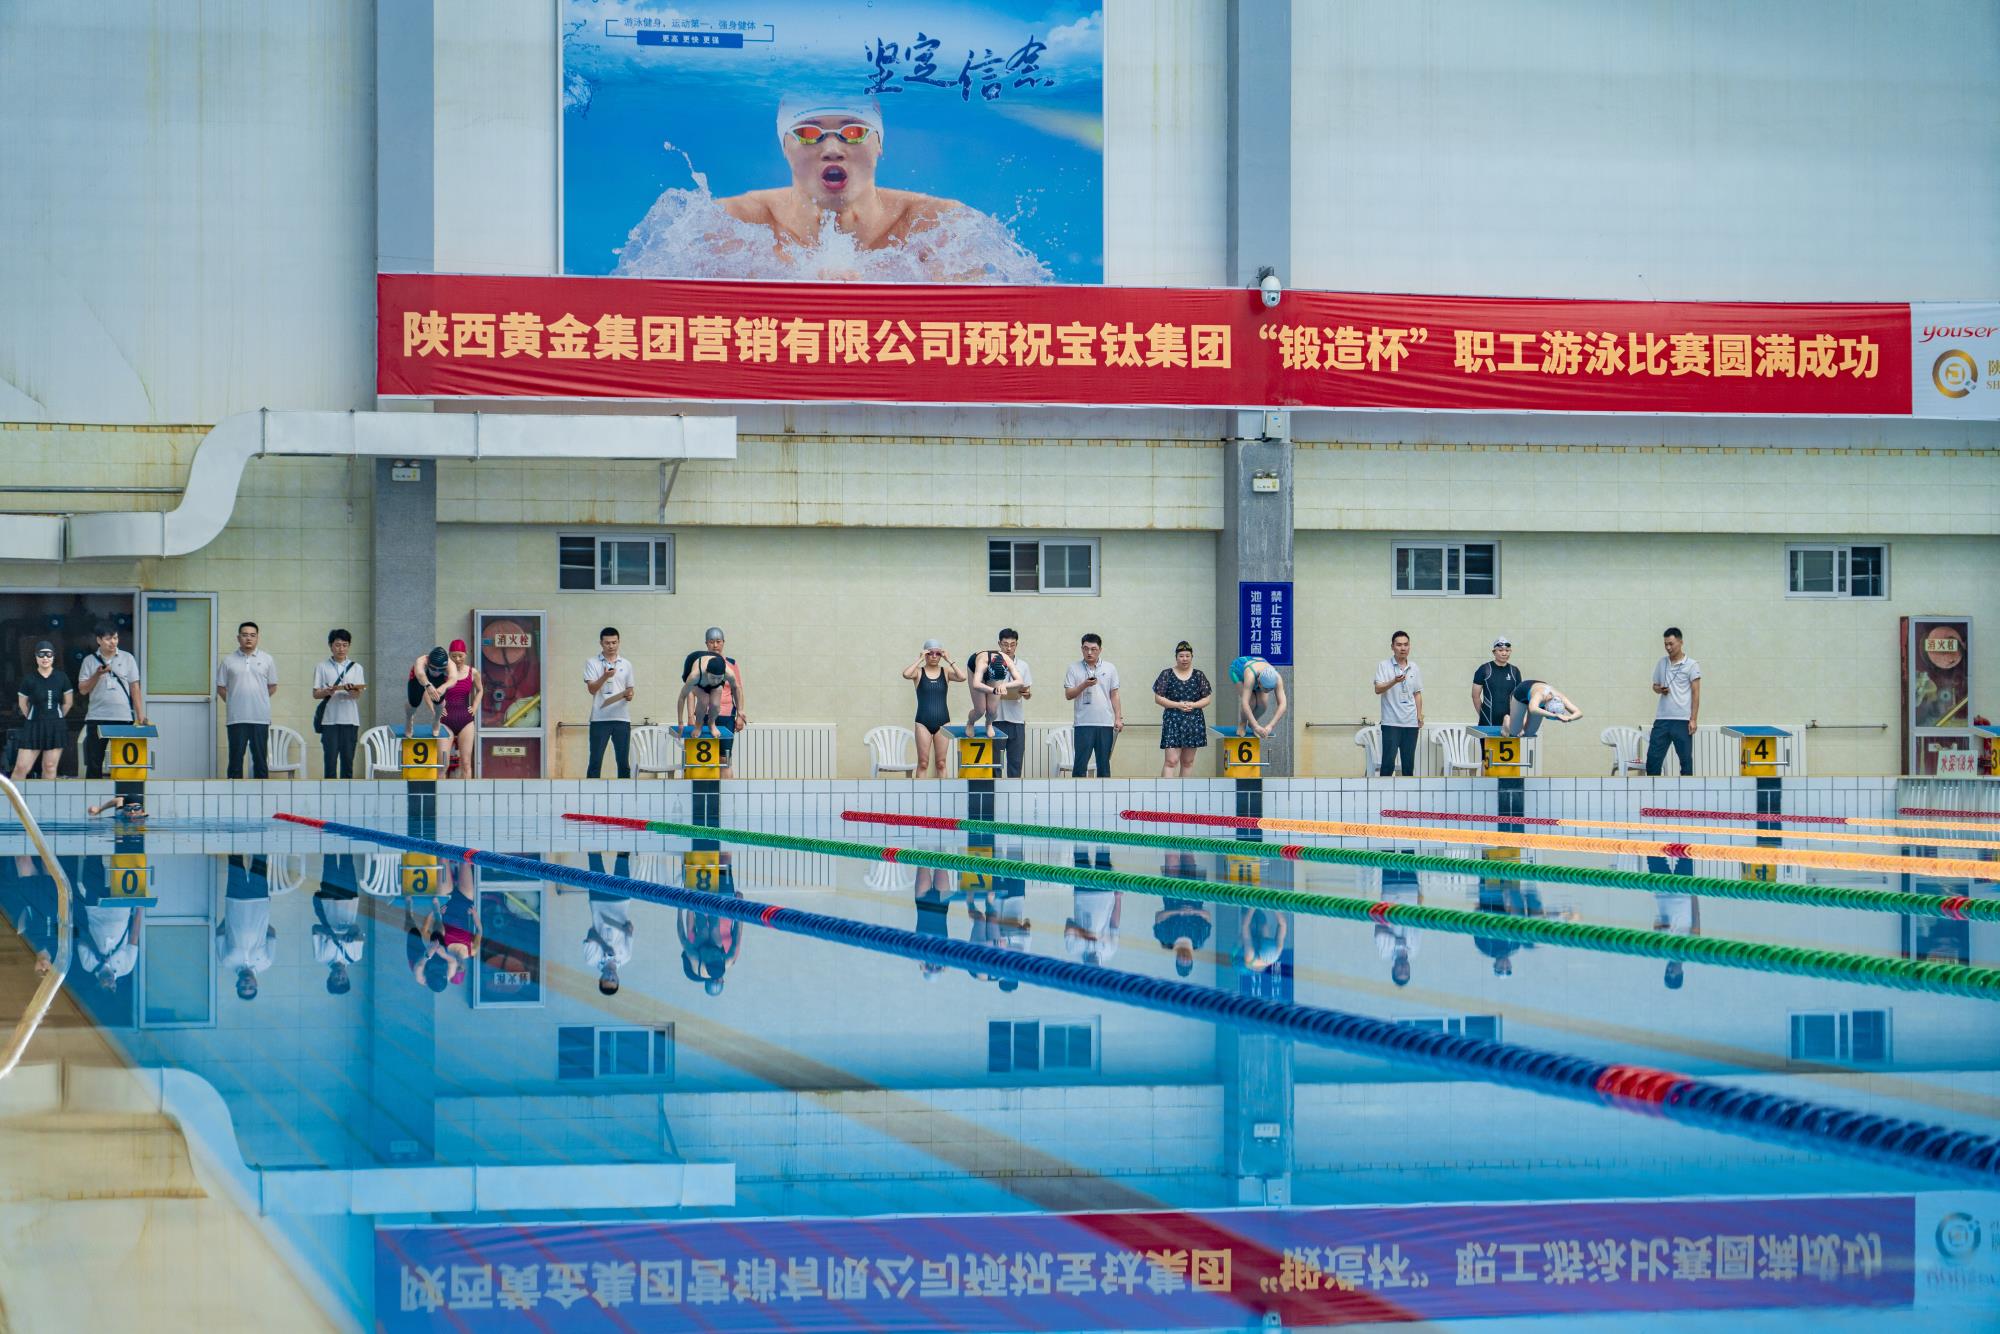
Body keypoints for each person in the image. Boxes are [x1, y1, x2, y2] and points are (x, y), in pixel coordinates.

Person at [714, 96, 974, 276]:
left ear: (879, 144)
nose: (832, 149)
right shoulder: (735, 222)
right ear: (784, 146)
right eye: (808, 134)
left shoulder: (936, 225)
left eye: (853, 132)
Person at [77, 621, 143, 779]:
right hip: (97, 717)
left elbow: (135, 688)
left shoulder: (127, 658)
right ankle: (93, 792)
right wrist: (97, 674)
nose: (113, 642)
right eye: (108, 639)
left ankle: (123, 792)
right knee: (94, 761)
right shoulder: (89, 661)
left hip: (123, 717)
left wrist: (140, 715)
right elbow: (83, 689)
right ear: (99, 640)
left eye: (115, 638)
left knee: (125, 761)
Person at [681, 628, 747, 777]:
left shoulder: (731, 664)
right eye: (711, 642)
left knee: (724, 758)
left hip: (726, 715)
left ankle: (725, 790)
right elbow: (690, 692)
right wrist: (690, 717)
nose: (715, 645)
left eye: (718, 641)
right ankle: (703, 788)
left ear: (723, 642)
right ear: (706, 643)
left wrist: (740, 715)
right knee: (701, 759)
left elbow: (738, 689)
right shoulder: (701, 663)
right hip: (703, 715)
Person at [215, 621, 277, 779]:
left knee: (260, 761)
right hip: (236, 718)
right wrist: (234, 701)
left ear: (257, 638)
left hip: (260, 718)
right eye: (244, 635)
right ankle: (233, 793)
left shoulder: (267, 659)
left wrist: (258, 699)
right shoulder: (228, 661)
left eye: (252, 635)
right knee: (235, 761)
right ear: (238, 638)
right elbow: (221, 687)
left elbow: (272, 686)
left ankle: (261, 793)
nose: (248, 638)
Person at [901, 640, 965, 778]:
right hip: (922, 722)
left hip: (943, 722)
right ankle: (920, 792)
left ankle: (943, 792)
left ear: (941, 655)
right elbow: (906, 674)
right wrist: (919, 659)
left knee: (941, 763)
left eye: (938, 653)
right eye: (930, 653)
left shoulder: (946, 672)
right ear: (925, 654)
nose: (934, 656)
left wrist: (949, 660)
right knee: (923, 763)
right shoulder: (918, 672)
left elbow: (962, 677)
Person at [216, 853, 276, 1000]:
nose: (247, 984)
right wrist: (259, 919)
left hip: (235, 901)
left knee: (235, 861)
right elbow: (272, 933)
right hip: (260, 901)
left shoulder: (227, 961)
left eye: (243, 987)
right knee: (260, 861)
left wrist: (231, 917)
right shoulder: (266, 962)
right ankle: (260, 837)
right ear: (256, 984)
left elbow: (220, 933)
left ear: (237, 985)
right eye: (251, 987)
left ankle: (233, 837)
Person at [1063, 634, 1123, 778]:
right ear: (1081, 649)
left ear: (1100, 650)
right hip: (1083, 723)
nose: (1089, 652)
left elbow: (1114, 695)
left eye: (1093, 649)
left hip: (1105, 723)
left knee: (1104, 765)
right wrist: (1084, 685)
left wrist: (1118, 718)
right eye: (1086, 648)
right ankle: (1078, 792)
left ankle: (1104, 792)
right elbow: (1068, 695)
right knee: (1080, 765)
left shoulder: (1110, 668)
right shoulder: (1073, 668)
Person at [13, 641, 73, 780]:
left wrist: (55, 717)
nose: (45, 658)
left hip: (56, 726)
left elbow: (68, 703)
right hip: (33, 725)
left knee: (49, 766)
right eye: (41, 654)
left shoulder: (61, 677)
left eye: (48, 654)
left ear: (53, 656)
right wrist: (33, 717)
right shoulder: (29, 679)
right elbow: (23, 704)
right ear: (36, 657)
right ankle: (11, 794)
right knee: (21, 767)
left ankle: (47, 795)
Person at [1646, 627, 1702, 776]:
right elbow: (1654, 686)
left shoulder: (1692, 665)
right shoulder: (1661, 663)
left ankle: (1687, 790)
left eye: (1671, 644)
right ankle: (1652, 789)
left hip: (1682, 720)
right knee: (1652, 759)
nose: (1668, 647)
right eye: (1665, 644)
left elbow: (1696, 693)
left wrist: (1693, 719)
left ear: (1680, 642)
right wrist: (1660, 689)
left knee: (1685, 761)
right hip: (1662, 719)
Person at [312, 629, 367, 779]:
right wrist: (327, 691)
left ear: (349, 646)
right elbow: (315, 694)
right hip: (329, 721)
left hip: (350, 720)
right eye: (337, 645)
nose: (341, 649)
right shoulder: (322, 667)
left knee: (348, 763)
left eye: (345, 645)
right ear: (330, 646)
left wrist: (351, 690)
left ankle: (346, 793)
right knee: (329, 763)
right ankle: (329, 793)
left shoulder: (357, 667)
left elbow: (357, 695)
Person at [1153, 641, 1213, 778]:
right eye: (1181, 656)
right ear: (1176, 657)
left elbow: (1207, 699)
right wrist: (1177, 704)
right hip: (1173, 721)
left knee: (1188, 762)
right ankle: (1166, 790)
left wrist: (1193, 705)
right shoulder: (1167, 674)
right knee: (1171, 761)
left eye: (1187, 656)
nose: (1184, 659)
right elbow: (1158, 698)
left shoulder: (1198, 675)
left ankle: (1183, 791)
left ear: (1192, 657)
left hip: (1193, 722)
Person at [584, 627, 636, 778]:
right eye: (607, 643)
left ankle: (624, 790)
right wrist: (605, 676)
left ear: (619, 642)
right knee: (595, 761)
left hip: (622, 718)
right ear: (601, 643)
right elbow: (592, 689)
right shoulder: (592, 662)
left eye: (614, 642)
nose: (611, 646)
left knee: (623, 762)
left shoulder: (626, 664)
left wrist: (629, 695)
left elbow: (630, 689)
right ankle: (591, 790)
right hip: (600, 718)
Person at [312, 855, 366, 996]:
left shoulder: (321, 957)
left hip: (328, 901)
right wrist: (350, 935)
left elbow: (315, 929)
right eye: (343, 979)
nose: (339, 976)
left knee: (329, 860)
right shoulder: (355, 956)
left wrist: (331, 934)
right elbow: (356, 928)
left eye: (336, 979)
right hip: (349, 901)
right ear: (347, 978)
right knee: (347, 859)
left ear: (330, 978)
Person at [1372, 631, 1424, 776]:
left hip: (1411, 723)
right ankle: (1384, 791)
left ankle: (1408, 791)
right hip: (1391, 723)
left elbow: (1417, 693)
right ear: (1392, 647)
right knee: (1388, 764)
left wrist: (1419, 715)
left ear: (1409, 647)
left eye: (1406, 645)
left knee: (1408, 765)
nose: (1403, 648)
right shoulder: (1384, 666)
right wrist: (1394, 681)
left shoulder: (1414, 667)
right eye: (1399, 645)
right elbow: (1378, 689)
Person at [584, 854, 635, 997]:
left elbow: (591, 933)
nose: (611, 977)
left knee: (594, 858)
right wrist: (628, 929)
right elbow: (630, 929)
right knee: (623, 857)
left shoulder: (591, 960)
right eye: (614, 980)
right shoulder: (626, 957)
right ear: (618, 980)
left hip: (598, 901)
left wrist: (604, 946)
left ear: (601, 979)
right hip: (621, 902)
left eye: (607, 979)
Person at [989, 629, 1033, 778]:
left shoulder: (1023, 666)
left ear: (1016, 645)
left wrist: (1027, 694)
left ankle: (1014, 791)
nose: (1008, 648)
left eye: (1012, 645)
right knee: (995, 764)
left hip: (1016, 720)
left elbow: (1027, 692)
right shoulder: (990, 664)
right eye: (1005, 644)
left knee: (1015, 763)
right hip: (996, 720)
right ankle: (995, 791)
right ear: (999, 644)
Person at [964, 639, 1024, 739]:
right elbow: (976, 684)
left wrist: (1005, 685)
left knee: (992, 710)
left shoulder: (1007, 661)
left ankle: (988, 723)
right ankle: (970, 723)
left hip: (995, 671)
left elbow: (1020, 681)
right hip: (975, 670)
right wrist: (993, 690)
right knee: (980, 710)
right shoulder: (982, 663)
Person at [438, 640, 480, 778]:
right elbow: (429, 692)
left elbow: (480, 690)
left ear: (465, 655)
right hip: (445, 720)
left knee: (466, 764)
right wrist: (437, 708)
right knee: (442, 765)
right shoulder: (442, 672)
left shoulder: (472, 672)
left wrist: (475, 706)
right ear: (449, 656)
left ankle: (466, 792)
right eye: (453, 656)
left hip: (465, 721)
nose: (457, 659)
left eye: (460, 655)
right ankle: (440, 792)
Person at [1229, 654, 1287, 738]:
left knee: (1263, 704)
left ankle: (1252, 724)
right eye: (1265, 688)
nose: (1267, 691)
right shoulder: (1250, 676)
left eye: (1270, 689)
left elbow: (1283, 705)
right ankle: (1243, 723)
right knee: (1251, 702)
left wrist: (1270, 726)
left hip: (1258, 665)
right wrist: (1256, 726)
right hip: (1238, 671)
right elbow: (1245, 703)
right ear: (1259, 682)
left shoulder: (1277, 678)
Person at [404, 645, 457, 735]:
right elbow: (420, 674)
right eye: (433, 668)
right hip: (419, 678)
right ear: (428, 662)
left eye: (441, 669)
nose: (436, 672)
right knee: (413, 703)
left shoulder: (450, 664)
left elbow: (453, 679)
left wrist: (444, 687)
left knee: (439, 702)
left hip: (439, 679)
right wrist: (428, 685)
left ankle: (437, 718)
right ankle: (409, 718)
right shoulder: (421, 660)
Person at [1503, 679, 1583, 738]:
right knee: (1514, 732)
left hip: (1539, 700)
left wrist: (1569, 718)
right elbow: (1533, 709)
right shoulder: (1540, 694)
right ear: (1546, 707)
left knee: (1530, 733)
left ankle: (1522, 721)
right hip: (1522, 693)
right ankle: (1507, 719)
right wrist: (1554, 715)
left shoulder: (1562, 699)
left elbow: (1579, 713)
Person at [1471, 638, 1521, 729]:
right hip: (1487, 721)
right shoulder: (1484, 669)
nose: (1504, 653)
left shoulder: (1514, 671)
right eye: (1500, 650)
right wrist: (1483, 715)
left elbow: (1518, 698)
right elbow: (1475, 696)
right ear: (1494, 652)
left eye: (1507, 650)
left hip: (1509, 723)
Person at [677, 653, 731, 737]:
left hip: (713, 671)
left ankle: (711, 723)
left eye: (719, 678)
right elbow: (682, 697)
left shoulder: (729, 673)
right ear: (706, 673)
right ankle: (698, 724)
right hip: (695, 668)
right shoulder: (695, 675)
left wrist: (740, 710)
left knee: (715, 704)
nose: (716, 681)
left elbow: (737, 688)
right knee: (703, 701)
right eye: (713, 678)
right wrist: (681, 722)